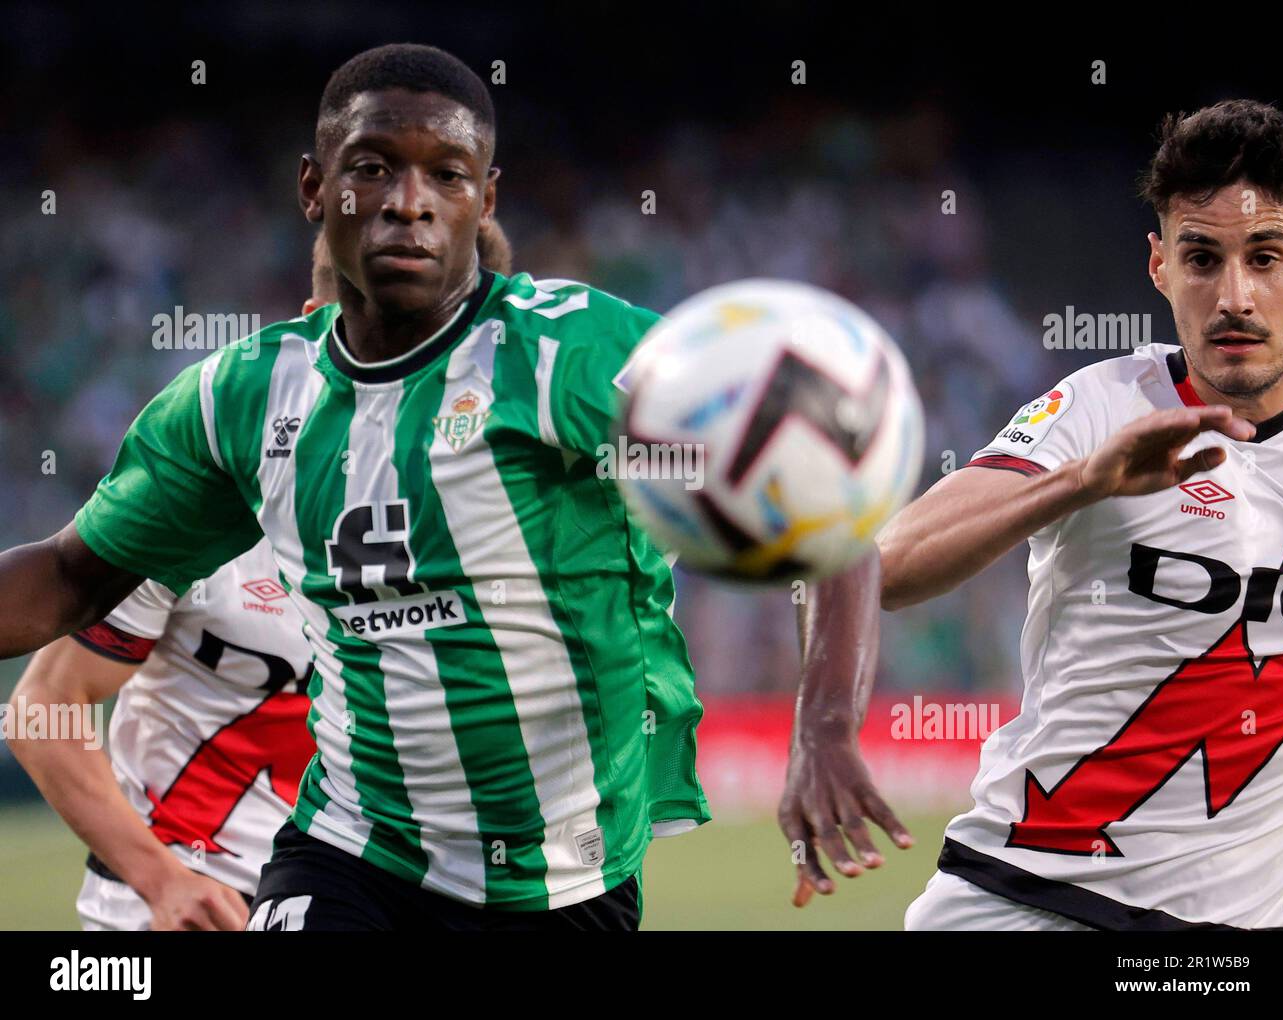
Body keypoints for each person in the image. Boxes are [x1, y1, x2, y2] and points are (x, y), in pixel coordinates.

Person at [0, 43, 877, 930]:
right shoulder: (239, 399)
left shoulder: (568, 358)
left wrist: (826, 729)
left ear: (483, 201)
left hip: (562, 876)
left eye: (447, 177)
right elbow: (71, 578)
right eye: (372, 169)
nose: (408, 203)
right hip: (349, 853)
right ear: (314, 190)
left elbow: (822, 508)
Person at [791, 99, 1283, 929]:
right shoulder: (1099, 407)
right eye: (1202, 258)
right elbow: (881, 564)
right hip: (1025, 900)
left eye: (1267, 257)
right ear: (1160, 266)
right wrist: (1079, 485)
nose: (1234, 295)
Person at [7, 217, 519, 931]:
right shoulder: (202, 496)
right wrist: (162, 881)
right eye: (389, 339)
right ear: (318, 328)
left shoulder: (484, 528)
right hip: (184, 907)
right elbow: (42, 710)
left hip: (356, 896)